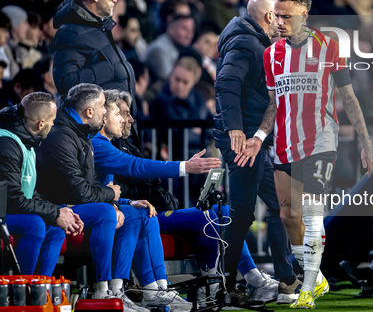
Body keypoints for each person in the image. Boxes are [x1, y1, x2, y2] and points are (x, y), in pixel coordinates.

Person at [236, 0, 373, 309]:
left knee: (313, 216)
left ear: (304, 16)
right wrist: (259, 136)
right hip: (284, 144)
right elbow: (273, 104)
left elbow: (348, 97)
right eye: (277, 16)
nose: (279, 22)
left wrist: (366, 142)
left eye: (286, 16)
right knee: (287, 215)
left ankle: (308, 289)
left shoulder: (329, 46)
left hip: (320, 142)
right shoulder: (271, 54)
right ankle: (318, 278)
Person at [111, 92, 277, 304]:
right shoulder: (108, 149)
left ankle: (209, 289)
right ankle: (252, 278)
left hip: (158, 210)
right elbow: (132, 180)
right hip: (146, 214)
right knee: (222, 214)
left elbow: (143, 178)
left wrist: (162, 194)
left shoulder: (128, 146)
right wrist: (181, 169)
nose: (131, 119)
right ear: (107, 115)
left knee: (210, 228)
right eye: (123, 113)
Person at [93, 89, 213, 311]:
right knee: (134, 215)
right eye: (118, 114)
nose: (125, 119)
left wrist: (129, 201)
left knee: (144, 211)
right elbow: (135, 168)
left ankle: (156, 288)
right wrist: (184, 166)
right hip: (88, 211)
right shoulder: (98, 144)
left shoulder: (108, 143)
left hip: (112, 207)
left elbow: (110, 190)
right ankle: (114, 292)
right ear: (102, 117)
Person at [35, 83, 147, 312]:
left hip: (74, 202)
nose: (105, 115)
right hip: (57, 206)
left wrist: (117, 202)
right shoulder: (61, 136)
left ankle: (118, 289)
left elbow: (86, 187)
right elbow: (79, 191)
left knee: (133, 214)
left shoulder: (81, 132)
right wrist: (110, 196)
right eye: (103, 109)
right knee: (106, 212)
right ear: (89, 112)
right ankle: (101, 290)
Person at [214, 0, 295, 307]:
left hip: (253, 139)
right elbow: (225, 84)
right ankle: (227, 288)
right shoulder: (245, 44)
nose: (284, 22)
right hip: (244, 141)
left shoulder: (251, 40)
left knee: (278, 206)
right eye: (281, 16)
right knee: (243, 213)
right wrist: (235, 129)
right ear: (269, 18)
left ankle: (287, 280)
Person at [1, 92, 84, 275]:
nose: (53, 124)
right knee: (35, 224)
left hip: (10, 210)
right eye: (52, 120)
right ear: (40, 124)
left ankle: (42, 288)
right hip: (4, 212)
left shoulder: (28, 140)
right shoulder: (7, 143)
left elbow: (29, 193)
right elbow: (12, 199)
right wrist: (54, 212)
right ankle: (22, 289)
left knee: (56, 228)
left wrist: (60, 212)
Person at [52, 0, 136, 112]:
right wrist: (109, 67)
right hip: (99, 128)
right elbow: (67, 84)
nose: (115, 0)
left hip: (117, 127)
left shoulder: (100, 28)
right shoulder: (71, 31)